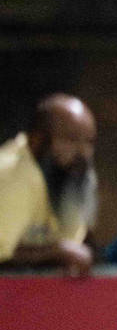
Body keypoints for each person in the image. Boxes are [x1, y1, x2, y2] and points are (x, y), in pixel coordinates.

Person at [0, 94, 97, 275]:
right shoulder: (10, 175)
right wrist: (58, 251)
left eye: (89, 141)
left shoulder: (73, 174)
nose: (83, 152)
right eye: (71, 140)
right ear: (36, 140)